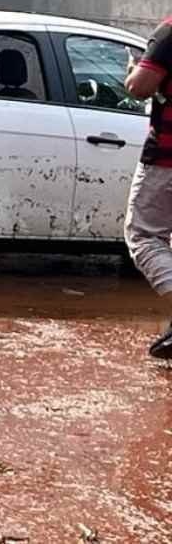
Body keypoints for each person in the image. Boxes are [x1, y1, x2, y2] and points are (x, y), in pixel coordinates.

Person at [124, 19, 172, 358]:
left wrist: (131, 73)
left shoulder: (169, 33)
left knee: (142, 234)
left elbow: (141, 86)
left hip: (167, 158)